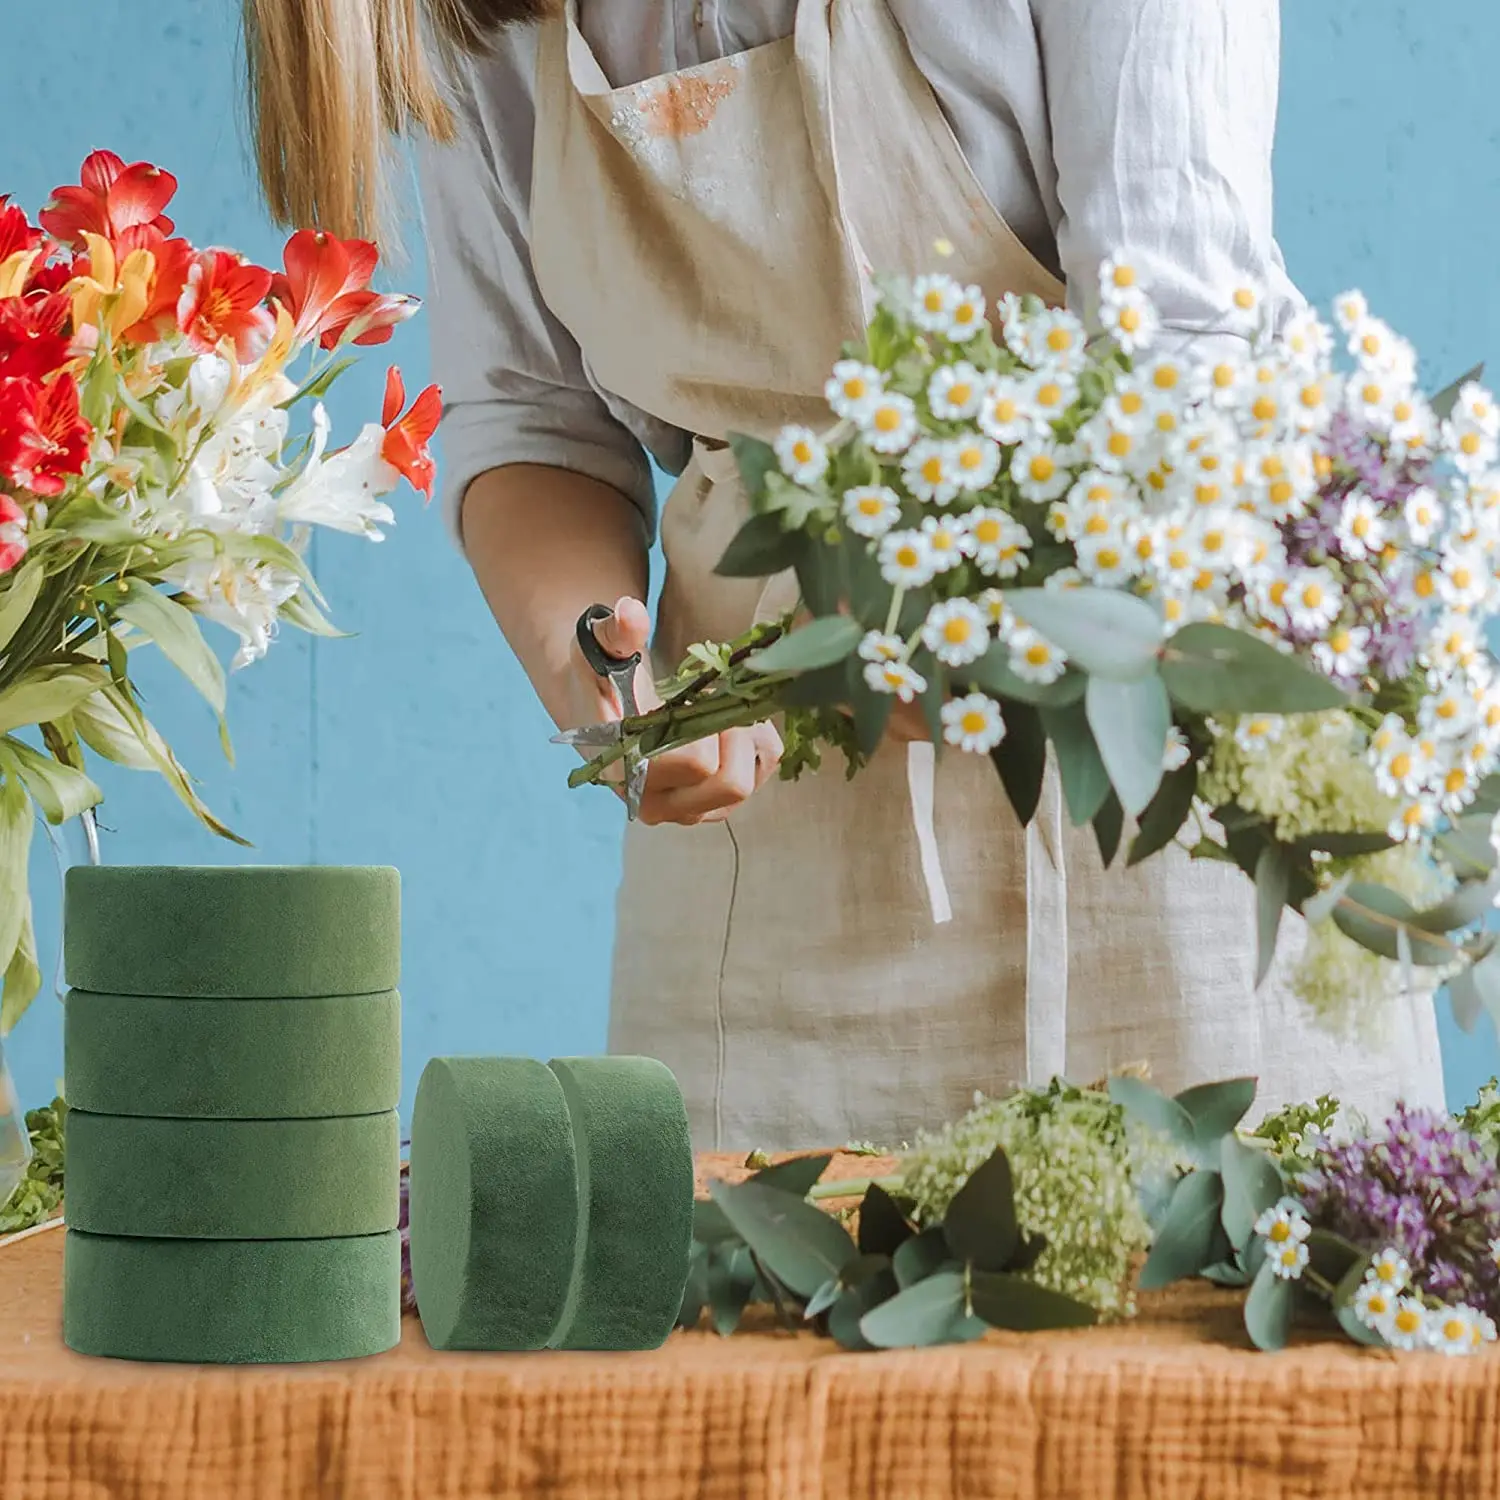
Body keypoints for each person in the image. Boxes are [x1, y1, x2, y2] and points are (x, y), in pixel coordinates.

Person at [244, 0, 1447, 1152]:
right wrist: (614, 689)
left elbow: (1180, 341)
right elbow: (533, 416)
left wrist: (922, 650)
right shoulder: (475, 12)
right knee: (756, 1336)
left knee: (1209, 1320)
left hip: (1160, 716)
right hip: (770, 831)